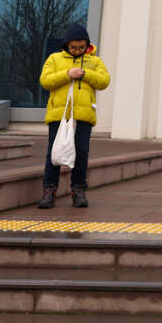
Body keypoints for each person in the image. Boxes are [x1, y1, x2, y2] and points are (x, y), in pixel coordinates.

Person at [38, 24, 111, 209]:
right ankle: (49, 191)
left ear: (87, 45)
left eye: (81, 47)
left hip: (83, 115)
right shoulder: (54, 59)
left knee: (81, 153)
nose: (77, 51)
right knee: (54, 153)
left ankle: (78, 190)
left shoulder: (94, 61)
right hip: (59, 114)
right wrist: (67, 74)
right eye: (73, 47)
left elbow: (104, 81)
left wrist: (85, 74)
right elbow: (45, 80)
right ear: (66, 46)